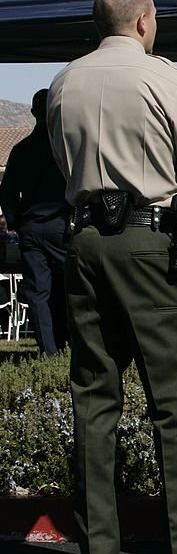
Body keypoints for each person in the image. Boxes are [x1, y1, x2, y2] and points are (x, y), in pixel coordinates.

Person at [46, 0, 177, 554]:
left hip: (86, 243)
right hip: (149, 240)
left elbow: (57, 157)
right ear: (145, 21)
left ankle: (98, 553)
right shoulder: (163, 78)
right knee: (173, 401)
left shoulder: (64, 82)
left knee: (94, 397)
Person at [0, 88, 70, 355]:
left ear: (32, 113)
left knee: (38, 293)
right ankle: (68, 342)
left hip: (31, 227)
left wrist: (17, 220)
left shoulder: (21, 150)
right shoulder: (65, 147)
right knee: (70, 287)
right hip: (62, 225)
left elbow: (6, 192)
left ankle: (48, 349)